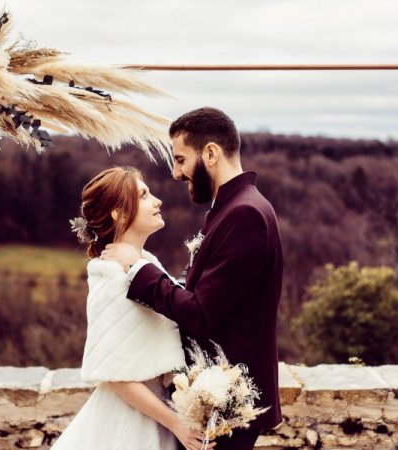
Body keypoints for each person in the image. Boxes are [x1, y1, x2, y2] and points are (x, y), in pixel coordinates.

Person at [102, 107, 284, 450]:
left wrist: (139, 269)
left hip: (228, 399)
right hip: (217, 395)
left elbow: (202, 313)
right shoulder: (233, 207)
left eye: (181, 159)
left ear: (211, 153)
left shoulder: (244, 213)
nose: (176, 172)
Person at [51, 166, 213, 450]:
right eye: (144, 195)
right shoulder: (110, 276)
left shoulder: (146, 263)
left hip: (157, 415)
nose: (157, 201)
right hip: (129, 424)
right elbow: (115, 376)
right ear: (120, 213)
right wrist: (175, 423)